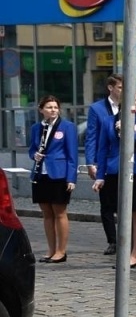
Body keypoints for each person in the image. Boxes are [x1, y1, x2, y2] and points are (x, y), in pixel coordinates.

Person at [92, 87, 136, 268]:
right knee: (121, 213)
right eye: (135, 100)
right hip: (114, 171)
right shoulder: (108, 121)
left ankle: (135, 254)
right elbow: (102, 149)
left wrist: (131, 133)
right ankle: (124, 251)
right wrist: (100, 175)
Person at [29, 95, 77, 262]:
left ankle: (61, 251)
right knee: (46, 213)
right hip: (40, 173)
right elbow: (32, 149)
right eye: (49, 107)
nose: (53, 110)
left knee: (60, 213)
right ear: (41, 110)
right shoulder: (36, 128)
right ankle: (51, 249)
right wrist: (34, 155)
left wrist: (71, 179)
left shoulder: (67, 127)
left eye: (55, 107)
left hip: (59, 174)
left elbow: (72, 155)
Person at [85, 75, 123, 255]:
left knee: (126, 204)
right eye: (120, 87)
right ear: (110, 88)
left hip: (126, 162)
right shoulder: (97, 109)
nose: (123, 91)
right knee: (107, 205)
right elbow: (91, 136)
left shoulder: (131, 107)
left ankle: (128, 240)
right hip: (106, 161)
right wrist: (91, 162)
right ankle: (113, 241)